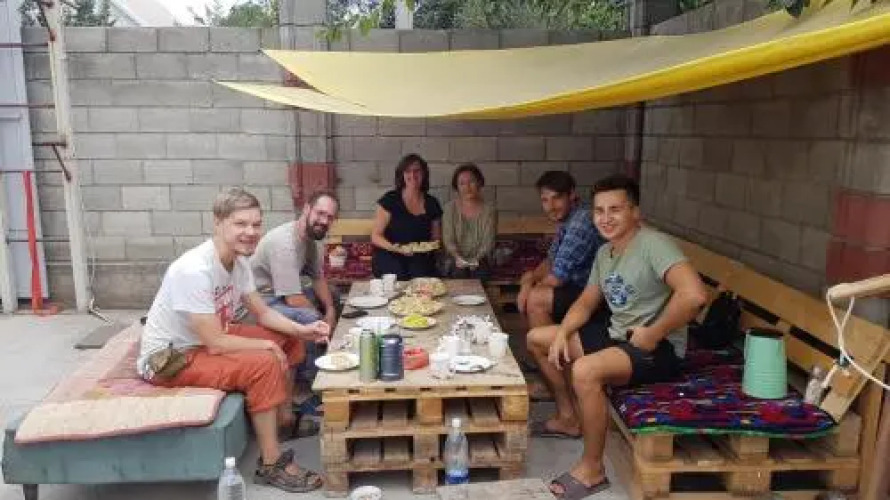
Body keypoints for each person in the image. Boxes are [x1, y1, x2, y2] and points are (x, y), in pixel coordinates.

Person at [526, 174, 708, 499]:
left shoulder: (653, 244)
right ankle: (569, 417)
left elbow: (694, 295)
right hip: (617, 335)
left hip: (658, 347)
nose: (606, 218)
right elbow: (586, 302)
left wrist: (654, 332)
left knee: (585, 371)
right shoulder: (605, 253)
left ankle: (592, 469)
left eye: (615, 209)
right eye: (599, 211)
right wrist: (564, 332)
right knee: (538, 339)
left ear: (634, 212)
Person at [137, 187, 329, 493]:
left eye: (256, 224)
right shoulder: (194, 270)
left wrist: (302, 331)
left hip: (207, 340)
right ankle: (271, 464)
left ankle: (283, 419)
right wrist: (266, 346)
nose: (250, 232)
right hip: (171, 358)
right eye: (240, 224)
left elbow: (263, 313)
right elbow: (215, 342)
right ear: (218, 222)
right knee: (264, 362)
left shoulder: (238, 263)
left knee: (288, 337)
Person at [250, 190, 340, 417]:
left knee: (333, 295)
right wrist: (321, 319)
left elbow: (318, 278)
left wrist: (330, 310)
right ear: (307, 209)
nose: (324, 220)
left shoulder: (309, 239)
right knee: (310, 318)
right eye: (320, 213)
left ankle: (325, 354)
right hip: (260, 302)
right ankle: (309, 389)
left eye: (330, 217)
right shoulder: (284, 244)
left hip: (282, 296)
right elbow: (293, 299)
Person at [518, 171, 606, 332]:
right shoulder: (567, 218)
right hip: (579, 289)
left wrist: (529, 289)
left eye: (557, 198)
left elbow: (556, 278)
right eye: (545, 200)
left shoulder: (581, 220)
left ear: (571, 195)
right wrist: (529, 280)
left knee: (536, 299)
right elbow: (551, 260)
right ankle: (546, 343)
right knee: (531, 284)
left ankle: (550, 345)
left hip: (597, 295)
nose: (550, 207)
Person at [371, 153, 443, 280]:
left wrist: (430, 247)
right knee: (398, 275)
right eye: (408, 171)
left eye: (417, 171)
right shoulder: (390, 199)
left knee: (421, 276)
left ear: (424, 174)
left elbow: (435, 239)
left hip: (419, 257)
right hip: (390, 253)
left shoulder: (432, 203)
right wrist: (394, 248)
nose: (413, 175)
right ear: (402, 175)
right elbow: (376, 236)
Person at [441, 163, 496, 279]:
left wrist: (476, 259)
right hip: (455, 258)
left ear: (479, 183)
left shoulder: (489, 211)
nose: (467, 187)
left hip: (480, 258)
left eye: (471, 182)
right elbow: (448, 239)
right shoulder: (449, 209)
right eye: (462, 183)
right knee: (459, 272)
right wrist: (457, 257)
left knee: (480, 273)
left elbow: (488, 242)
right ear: (457, 187)